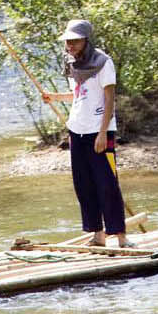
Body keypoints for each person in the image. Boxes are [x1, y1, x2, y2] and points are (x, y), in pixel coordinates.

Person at [45, 18, 127, 248]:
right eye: (67, 41)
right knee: (84, 184)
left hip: (99, 131)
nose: (70, 45)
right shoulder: (73, 63)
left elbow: (109, 99)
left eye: (75, 41)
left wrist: (102, 133)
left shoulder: (103, 62)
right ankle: (97, 235)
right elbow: (79, 95)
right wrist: (55, 97)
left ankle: (120, 237)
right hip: (77, 130)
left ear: (86, 40)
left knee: (107, 184)